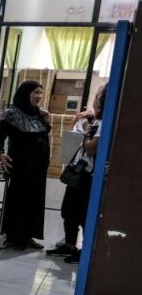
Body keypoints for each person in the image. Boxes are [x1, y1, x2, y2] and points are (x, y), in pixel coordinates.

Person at [50, 84, 106, 264]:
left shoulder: (104, 122)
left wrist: (83, 133)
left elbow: (90, 148)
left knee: (82, 215)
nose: (94, 99)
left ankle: (85, 251)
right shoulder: (96, 120)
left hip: (90, 177)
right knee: (68, 211)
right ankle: (69, 245)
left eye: (98, 96)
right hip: (79, 172)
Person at [0, 81, 51, 250]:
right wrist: (0, 154)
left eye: (41, 93)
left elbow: (43, 133)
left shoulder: (38, 113)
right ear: (26, 93)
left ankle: (28, 236)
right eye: (35, 92)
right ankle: (14, 236)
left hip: (38, 166)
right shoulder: (11, 114)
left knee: (34, 200)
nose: (39, 96)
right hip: (20, 165)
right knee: (19, 199)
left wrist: (46, 120)